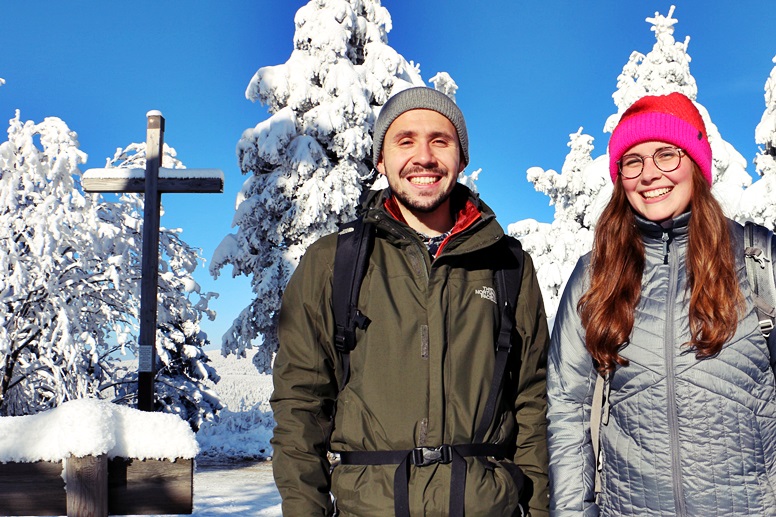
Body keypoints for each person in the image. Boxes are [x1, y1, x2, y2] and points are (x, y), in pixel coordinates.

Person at [271, 86, 550, 516]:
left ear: (461, 159)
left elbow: (532, 401)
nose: (424, 157)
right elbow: (300, 407)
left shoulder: (508, 265)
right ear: (381, 160)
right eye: (405, 141)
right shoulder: (333, 263)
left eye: (440, 140)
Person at [546, 92, 776, 516]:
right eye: (633, 161)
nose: (649, 173)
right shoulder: (595, 275)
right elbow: (568, 408)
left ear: (695, 164)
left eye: (666, 155)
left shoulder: (757, 259)